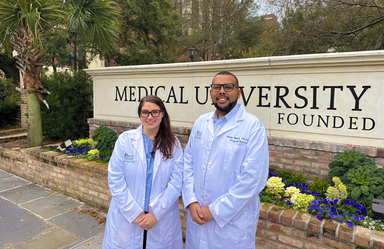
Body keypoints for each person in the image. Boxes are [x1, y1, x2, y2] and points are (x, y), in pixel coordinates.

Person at [182, 71, 269, 249]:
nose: (221, 91)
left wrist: (214, 211)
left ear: (238, 93)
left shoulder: (252, 126)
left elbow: (252, 180)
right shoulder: (201, 122)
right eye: (216, 87)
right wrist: (190, 201)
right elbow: (187, 164)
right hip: (197, 218)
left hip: (232, 225)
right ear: (211, 93)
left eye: (228, 87)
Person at [103, 95, 183, 249]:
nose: (150, 117)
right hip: (128, 217)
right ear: (140, 114)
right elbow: (115, 179)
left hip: (160, 218)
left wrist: (156, 214)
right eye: (145, 112)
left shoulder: (174, 144)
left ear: (162, 114)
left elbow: (176, 183)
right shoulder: (125, 140)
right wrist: (134, 213)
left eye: (155, 112)